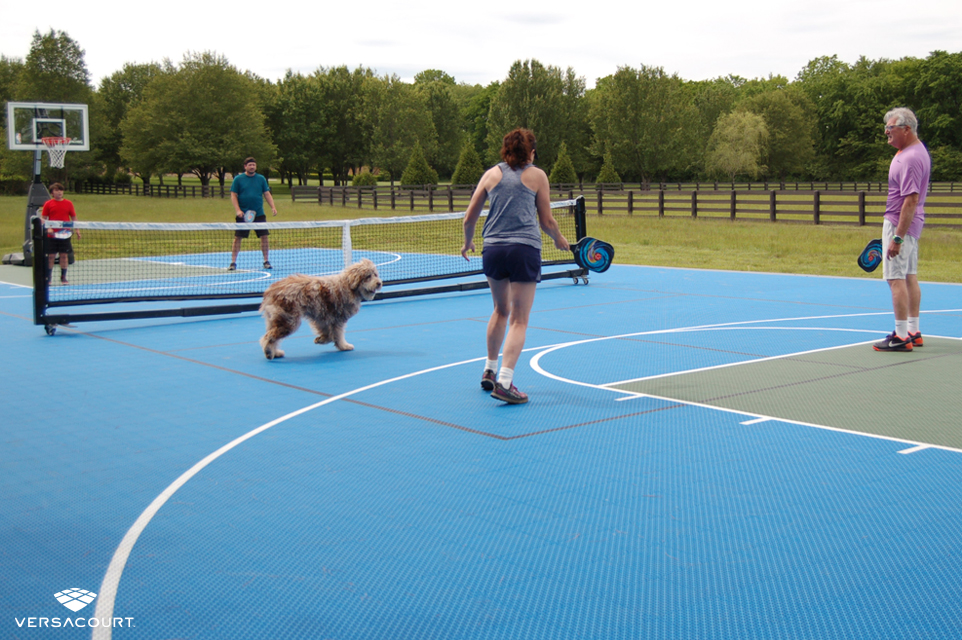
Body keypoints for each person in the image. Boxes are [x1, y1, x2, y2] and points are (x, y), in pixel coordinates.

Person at [461, 129, 570, 404]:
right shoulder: (537, 175)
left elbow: (468, 218)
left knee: (500, 310)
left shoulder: (490, 174)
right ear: (531, 152)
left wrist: (468, 242)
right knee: (519, 319)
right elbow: (546, 221)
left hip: (493, 250)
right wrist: (559, 239)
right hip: (524, 250)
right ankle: (505, 383)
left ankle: (490, 369)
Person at [873, 107, 931, 352]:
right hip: (909, 224)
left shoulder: (910, 158)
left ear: (906, 129)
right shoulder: (911, 151)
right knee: (908, 275)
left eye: (891, 127)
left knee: (895, 278)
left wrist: (897, 237)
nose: (887, 131)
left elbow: (911, 199)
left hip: (901, 224)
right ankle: (913, 331)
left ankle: (900, 337)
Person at [229, 157, 278, 270]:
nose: (252, 167)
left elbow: (266, 193)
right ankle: (233, 262)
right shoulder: (238, 179)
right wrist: (238, 210)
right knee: (238, 237)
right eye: (250, 165)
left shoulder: (261, 179)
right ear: (245, 166)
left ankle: (266, 261)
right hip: (243, 214)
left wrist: (273, 207)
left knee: (264, 236)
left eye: (254, 165)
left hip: (259, 213)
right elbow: (233, 195)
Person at [40, 182, 80, 285]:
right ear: (52, 193)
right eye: (57, 190)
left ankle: (63, 277)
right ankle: (48, 278)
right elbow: (43, 218)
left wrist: (77, 230)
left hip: (65, 234)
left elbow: (74, 217)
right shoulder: (48, 204)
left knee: (64, 256)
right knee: (51, 256)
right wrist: (48, 228)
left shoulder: (69, 203)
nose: (59, 192)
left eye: (61, 190)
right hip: (52, 235)